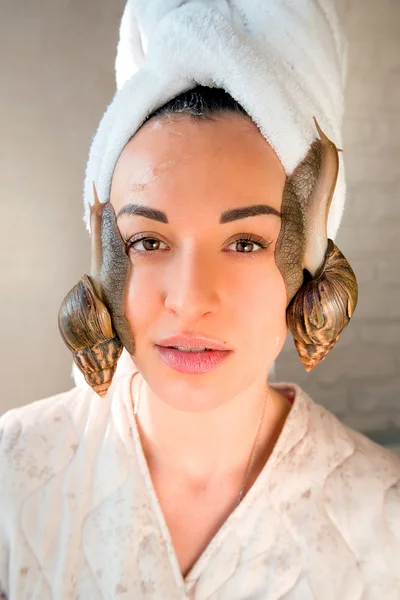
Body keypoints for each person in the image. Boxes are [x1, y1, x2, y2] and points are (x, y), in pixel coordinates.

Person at [1, 2, 400, 599]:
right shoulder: (14, 474)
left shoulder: (382, 515)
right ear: (103, 256)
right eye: (149, 241)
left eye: (244, 242)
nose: (189, 301)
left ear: (309, 266)